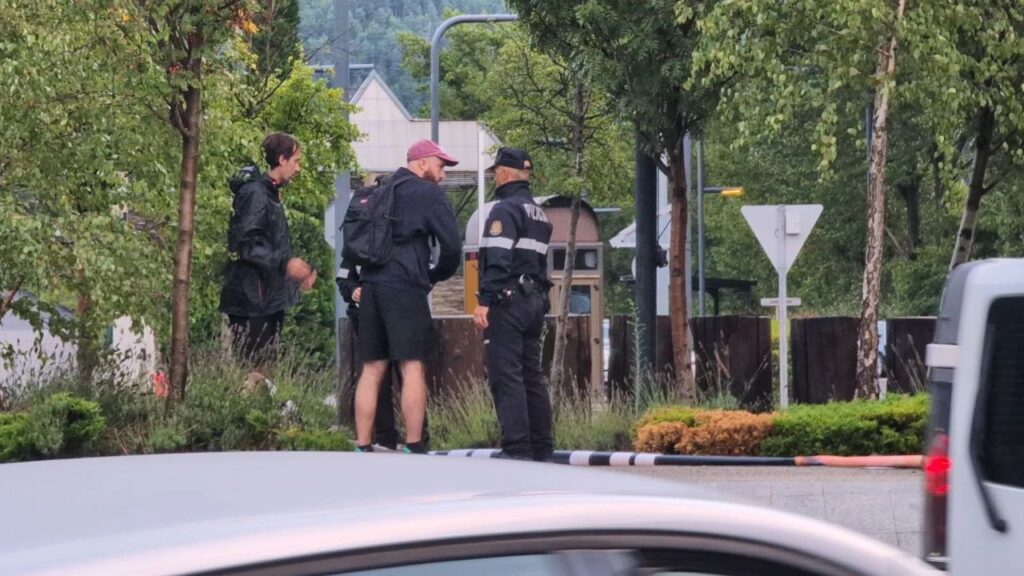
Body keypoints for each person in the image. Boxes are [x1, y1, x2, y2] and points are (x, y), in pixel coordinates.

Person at [353, 140, 461, 454]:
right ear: (423, 163)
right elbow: (452, 247)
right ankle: (414, 443)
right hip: (406, 285)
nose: (442, 176)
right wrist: (434, 275)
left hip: (371, 285)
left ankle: (363, 444)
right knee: (411, 365)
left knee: (372, 368)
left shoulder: (378, 191)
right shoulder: (428, 194)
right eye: (441, 167)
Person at [473, 147, 554, 462]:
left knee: (506, 375)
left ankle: (517, 448)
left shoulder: (504, 210)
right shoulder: (539, 214)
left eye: (495, 172)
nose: (494, 177)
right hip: (534, 301)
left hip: (508, 301)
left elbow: (497, 258)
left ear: (504, 173)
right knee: (532, 375)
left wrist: (485, 301)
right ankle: (541, 446)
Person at [219, 133, 316, 370]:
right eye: (296, 161)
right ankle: (247, 406)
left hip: (265, 297)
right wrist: (285, 265)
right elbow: (245, 244)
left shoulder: (267, 193)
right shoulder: (256, 194)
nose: (298, 168)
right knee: (255, 370)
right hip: (252, 299)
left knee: (263, 370)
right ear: (282, 160)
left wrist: (299, 270)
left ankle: (257, 406)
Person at [336, 256, 429, 450]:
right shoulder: (360, 248)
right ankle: (385, 438)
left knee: (406, 373)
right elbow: (343, 278)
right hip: (368, 316)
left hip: (398, 311)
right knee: (381, 377)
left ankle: (417, 437)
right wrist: (353, 291)